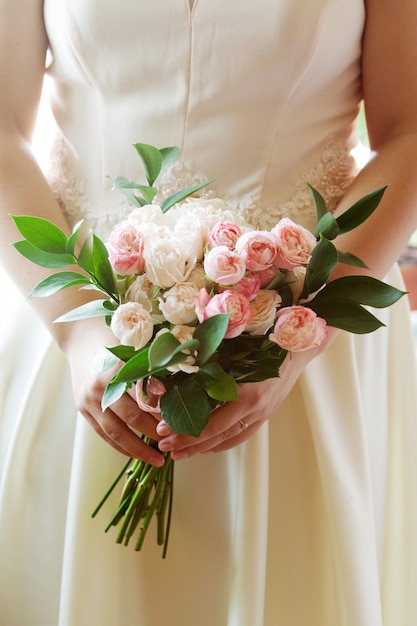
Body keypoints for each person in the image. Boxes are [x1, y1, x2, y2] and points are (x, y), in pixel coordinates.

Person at [1, 1, 417, 624]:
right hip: (76, 321)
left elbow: (411, 131)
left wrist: (295, 339)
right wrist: (83, 334)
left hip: (306, 334)